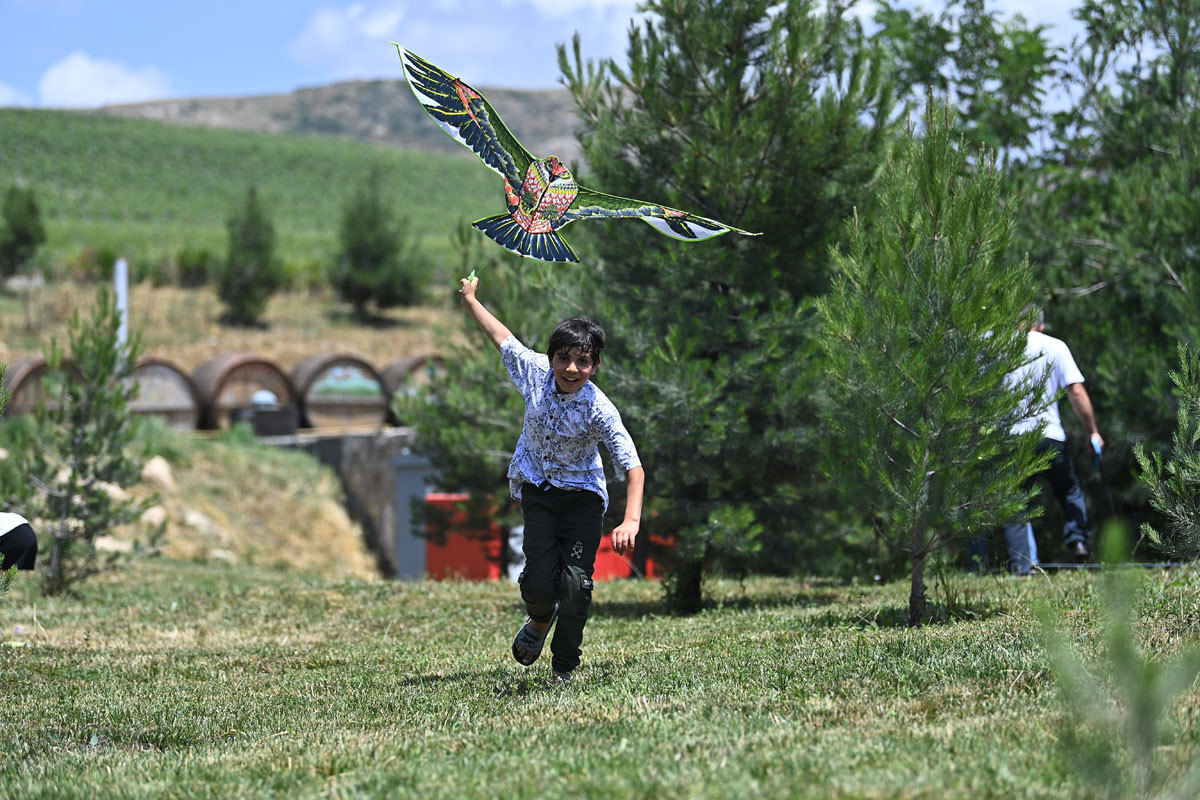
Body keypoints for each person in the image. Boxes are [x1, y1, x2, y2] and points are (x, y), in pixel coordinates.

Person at [459, 275, 644, 683]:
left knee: (577, 586)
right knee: (540, 584)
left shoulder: (600, 409)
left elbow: (632, 466)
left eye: (583, 361)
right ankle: (540, 619)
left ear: (594, 366)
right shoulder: (535, 372)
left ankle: (563, 669)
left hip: (582, 499)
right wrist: (471, 300)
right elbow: (502, 338)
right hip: (538, 492)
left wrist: (630, 519)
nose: (571, 368)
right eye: (563, 358)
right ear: (551, 357)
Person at [1003, 308, 1103, 574]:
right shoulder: (1056, 346)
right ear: (1042, 325)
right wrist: (1091, 430)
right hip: (1050, 436)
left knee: (1015, 502)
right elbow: (1076, 391)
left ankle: (1024, 567)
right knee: (1068, 489)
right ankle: (1078, 541)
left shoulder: (1000, 348)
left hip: (1013, 439)